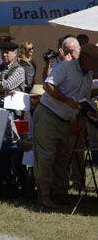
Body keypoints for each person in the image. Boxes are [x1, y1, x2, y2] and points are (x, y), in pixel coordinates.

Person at [34, 43, 98, 208]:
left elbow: (82, 100)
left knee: (62, 160)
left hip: (67, 120)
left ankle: (60, 195)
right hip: (49, 115)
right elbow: (48, 85)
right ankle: (44, 197)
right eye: (96, 60)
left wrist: (83, 117)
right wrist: (66, 100)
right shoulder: (66, 66)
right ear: (86, 58)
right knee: (46, 159)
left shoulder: (88, 74)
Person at [0, 42, 25, 109]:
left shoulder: (19, 70)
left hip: (12, 109)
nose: (4, 55)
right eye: (2, 52)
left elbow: (6, 85)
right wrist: (0, 88)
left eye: (7, 52)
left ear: (15, 54)